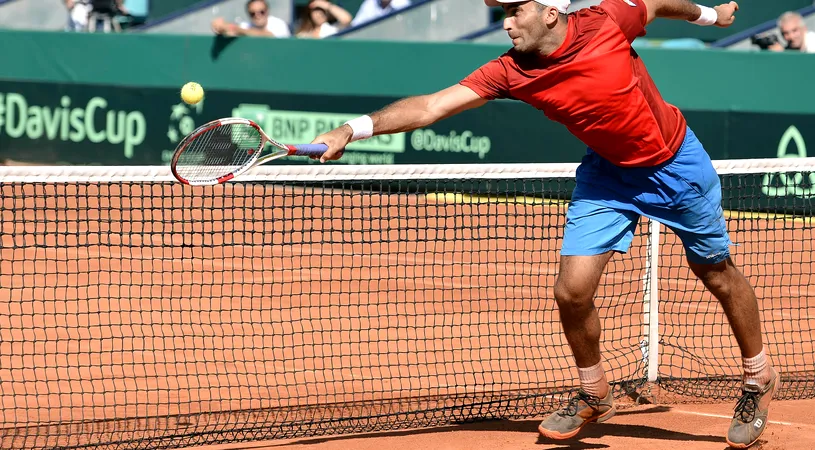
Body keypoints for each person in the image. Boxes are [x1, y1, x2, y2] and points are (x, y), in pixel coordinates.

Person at [311, 0, 779, 448]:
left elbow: (654, 2)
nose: (507, 24)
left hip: (674, 165)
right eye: (503, 14)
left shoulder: (608, 20)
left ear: (550, 13)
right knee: (571, 290)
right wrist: (353, 129)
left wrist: (712, 16)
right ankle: (595, 393)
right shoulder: (509, 69)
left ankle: (758, 377)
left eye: (515, 11)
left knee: (715, 273)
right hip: (608, 175)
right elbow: (432, 106)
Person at [211, 0, 291, 38]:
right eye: (253, 13)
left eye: (261, 12)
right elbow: (231, 32)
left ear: (267, 11)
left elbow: (268, 36)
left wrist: (238, 30)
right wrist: (220, 28)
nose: (257, 15)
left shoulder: (279, 24)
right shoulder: (246, 25)